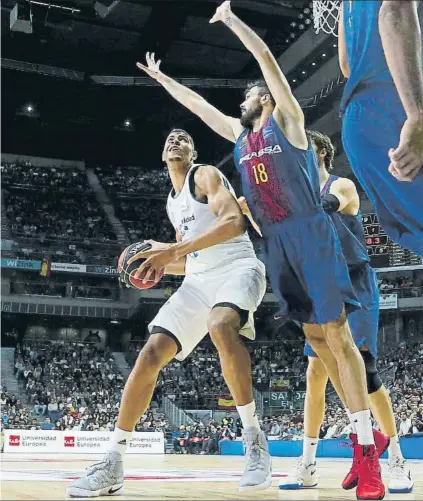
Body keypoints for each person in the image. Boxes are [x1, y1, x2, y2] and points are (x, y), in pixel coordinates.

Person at [137, 2, 386, 498]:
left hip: (309, 234)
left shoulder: (288, 122)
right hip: (275, 244)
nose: (245, 98)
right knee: (316, 342)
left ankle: (366, 453)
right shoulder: (241, 137)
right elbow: (200, 110)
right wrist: (164, 81)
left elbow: (268, 57)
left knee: (336, 335)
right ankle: (368, 440)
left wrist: (231, 20)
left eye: (252, 94)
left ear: (266, 101)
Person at [66, 129, 270, 497]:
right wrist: (151, 265)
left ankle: (254, 438)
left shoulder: (205, 174)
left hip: (239, 267)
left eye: (183, 138)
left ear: (193, 152)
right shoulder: (172, 202)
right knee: (150, 355)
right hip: (198, 280)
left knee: (221, 325)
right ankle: (113, 460)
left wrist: (171, 251)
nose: (175, 140)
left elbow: (234, 223)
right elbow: (190, 256)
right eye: (169, 139)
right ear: (163, 156)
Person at [279, 131, 413, 494]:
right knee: (314, 374)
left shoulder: (342, 186)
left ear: (320, 152)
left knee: (365, 372)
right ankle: (307, 465)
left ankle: (397, 459)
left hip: (353, 282)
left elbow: (328, 208)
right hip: (319, 284)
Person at [338, 1, 423, 255]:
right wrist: (416, 115)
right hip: (397, 107)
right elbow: (395, 10)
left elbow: (346, 65)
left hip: (359, 120)